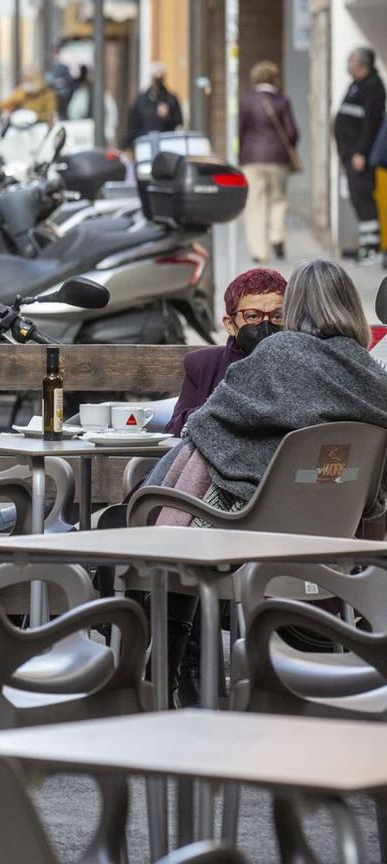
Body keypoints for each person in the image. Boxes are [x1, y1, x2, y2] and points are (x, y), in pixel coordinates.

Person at [148, 258, 387, 706]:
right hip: (336, 537)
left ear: (293, 307)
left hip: (249, 532)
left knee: (177, 533)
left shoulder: (277, 355)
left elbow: (207, 424)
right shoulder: (372, 375)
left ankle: (167, 682)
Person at [166, 268, 287, 437]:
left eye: (277, 316)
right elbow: (175, 430)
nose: (266, 324)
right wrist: (219, 409)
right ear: (230, 324)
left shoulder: (302, 365)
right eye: (253, 316)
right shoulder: (203, 365)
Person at [238, 61, 299, 264]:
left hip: (251, 159)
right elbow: (292, 132)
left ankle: (259, 251)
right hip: (277, 159)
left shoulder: (246, 102)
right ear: (275, 78)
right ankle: (277, 237)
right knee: (278, 200)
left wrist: (242, 155)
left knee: (255, 203)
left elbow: (240, 131)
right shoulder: (282, 102)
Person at [334, 47, 385, 265]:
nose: (348, 64)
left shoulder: (373, 86)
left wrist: (361, 152)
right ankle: (367, 245)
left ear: (361, 64)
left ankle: (371, 248)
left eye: (351, 60)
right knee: (357, 197)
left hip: (359, 155)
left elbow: (371, 124)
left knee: (363, 197)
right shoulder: (357, 85)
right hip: (349, 153)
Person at [122, 62, 183, 149]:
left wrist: (166, 117)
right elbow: (133, 124)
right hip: (144, 143)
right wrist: (127, 145)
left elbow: (178, 121)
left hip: (165, 144)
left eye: (160, 78)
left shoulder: (170, 99)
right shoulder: (142, 99)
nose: (157, 83)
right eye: (155, 78)